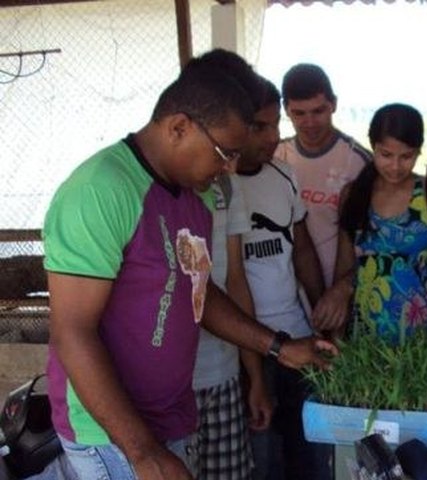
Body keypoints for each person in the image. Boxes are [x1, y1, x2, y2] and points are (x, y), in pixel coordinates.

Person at [42, 50, 335, 480]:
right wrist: (142, 453)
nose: (228, 168)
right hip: (112, 435)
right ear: (179, 127)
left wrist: (278, 346)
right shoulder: (101, 190)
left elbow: (197, 290)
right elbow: (72, 332)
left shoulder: (196, 196)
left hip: (172, 418)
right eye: (223, 153)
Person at [233, 77, 330, 480]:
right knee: (264, 456)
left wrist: (322, 314)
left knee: (309, 450)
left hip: (298, 335)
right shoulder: (219, 185)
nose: (273, 137)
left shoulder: (285, 175)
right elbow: (232, 282)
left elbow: (302, 249)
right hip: (247, 346)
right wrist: (255, 371)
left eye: (276, 124)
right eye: (260, 126)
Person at [313, 103, 427, 343]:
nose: (396, 167)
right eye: (386, 155)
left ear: (419, 151)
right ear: (372, 146)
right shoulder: (354, 194)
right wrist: (337, 338)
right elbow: (344, 267)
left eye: (406, 156)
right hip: (363, 334)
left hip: (422, 332)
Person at [186, 49, 271, 480]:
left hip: (222, 374)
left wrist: (254, 373)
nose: (233, 158)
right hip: (169, 390)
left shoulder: (226, 183)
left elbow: (232, 281)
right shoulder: (146, 188)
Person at [274, 63, 372, 290]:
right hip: (289, 296)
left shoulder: (359, 162)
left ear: (333, 104)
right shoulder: (274, 158)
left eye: (318, 111)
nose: (309, 123)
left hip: (345, 295)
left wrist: (344, 289)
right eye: (299, 113)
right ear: (286, 110)